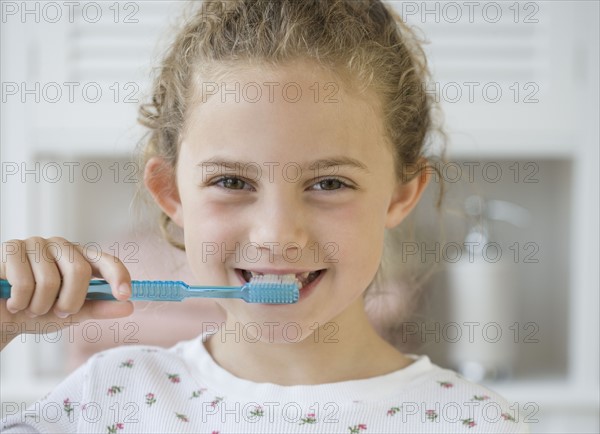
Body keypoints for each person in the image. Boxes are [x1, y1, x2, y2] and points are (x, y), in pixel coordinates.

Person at [0, 1, 528, 432]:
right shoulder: (108, 399)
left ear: (400, 195)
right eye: (232, 182)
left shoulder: (476, 422)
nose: (277, 234)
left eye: (329, 183)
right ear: (170, 192)